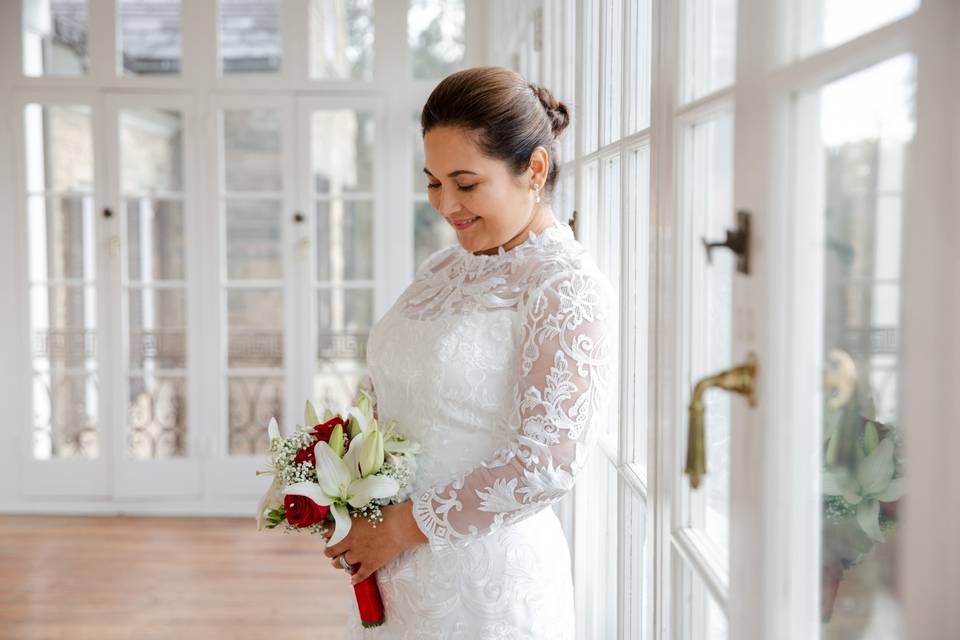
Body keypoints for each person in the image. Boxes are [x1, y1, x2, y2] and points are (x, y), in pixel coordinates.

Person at [321, 65, 617, 638]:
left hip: (489, 586)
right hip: (396, 572)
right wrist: (340, 483)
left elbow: (547, 463)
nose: (446, 205)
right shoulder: (443, 267)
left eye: (466, 183)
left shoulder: (565, 287)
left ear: (534, 169)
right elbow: (387, 383)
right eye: (433, 182)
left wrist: (402, 527)